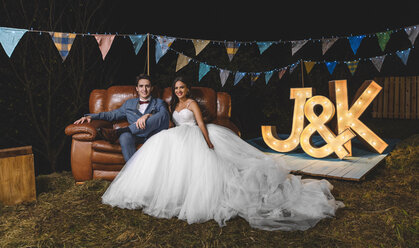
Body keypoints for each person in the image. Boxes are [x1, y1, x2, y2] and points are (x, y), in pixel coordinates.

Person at [102, 77, 344, 231]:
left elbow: (200, 124)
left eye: (182, 88)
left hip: (195, 134)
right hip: (177, 135)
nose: (178, 91)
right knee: (164, 152)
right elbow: (171, 125)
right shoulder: (173, 106)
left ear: (187, 89)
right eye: (176, 88)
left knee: (207, 165)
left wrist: (207, 141)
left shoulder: (192, 104)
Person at [73, 74, 169, 162]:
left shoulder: (158, 102)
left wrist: (148, 115)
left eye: (147, 86)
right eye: (141, 86)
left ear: (151, 88)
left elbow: (164, 115)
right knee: (125, 136)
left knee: (164, 114)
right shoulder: (129, 104)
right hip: (136, 136)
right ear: (137, 88)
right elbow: (112, 115)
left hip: (153, 135)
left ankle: (120, 131)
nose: (144, 89)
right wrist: (92, 116)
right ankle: (132, 171)